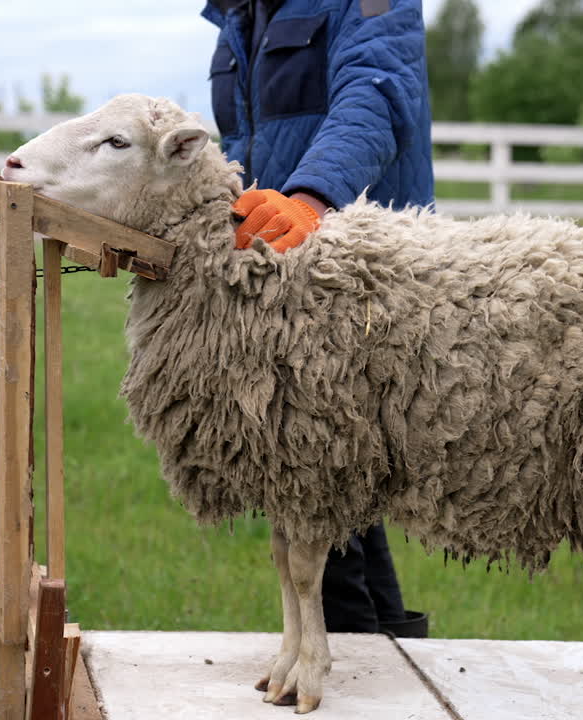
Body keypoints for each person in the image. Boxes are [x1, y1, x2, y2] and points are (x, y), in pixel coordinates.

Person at [202, 0, 433, 638]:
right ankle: (383, 654)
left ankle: (354, 655)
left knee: (316, 474)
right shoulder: (240, 15)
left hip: (360, 276)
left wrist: (312, 199)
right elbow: (243, 147)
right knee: (334, 481)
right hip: (280, 275)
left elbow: (377, 91)